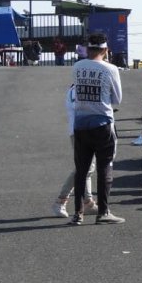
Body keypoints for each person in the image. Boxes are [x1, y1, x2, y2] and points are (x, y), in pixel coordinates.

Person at [69, 32, 124, 225]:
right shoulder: (111, 69)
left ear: (88, 48)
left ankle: (78, 213)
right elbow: (117, 99)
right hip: (102, 123)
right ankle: (103, 212)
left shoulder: (77, 67)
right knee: (104, 168)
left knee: (81, 170)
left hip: (80, 123)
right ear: (105, 49)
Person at [51, 84, 98, 218]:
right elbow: (78, 108)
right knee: (83, 168)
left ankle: (88, 202)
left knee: (88, 169)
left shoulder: (80, 87)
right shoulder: (77, 89)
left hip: (88, 129)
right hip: (80, 131)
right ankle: (61, 200)